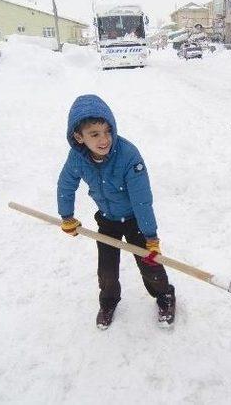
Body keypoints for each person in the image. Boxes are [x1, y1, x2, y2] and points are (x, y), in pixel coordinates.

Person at [57, 94, 176, 330]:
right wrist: (67, 216)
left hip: (135, 220)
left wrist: (151, 237)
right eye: (94, 134)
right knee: (106, 270)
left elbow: (142, 200)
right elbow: (66, 184)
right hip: (108, 220)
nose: (104, 140)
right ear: (78, 137)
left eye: (107, 131)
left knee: (149, 264)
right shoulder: (77, 158)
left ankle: (165, 296)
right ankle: (108, 302)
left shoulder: (128, 155)